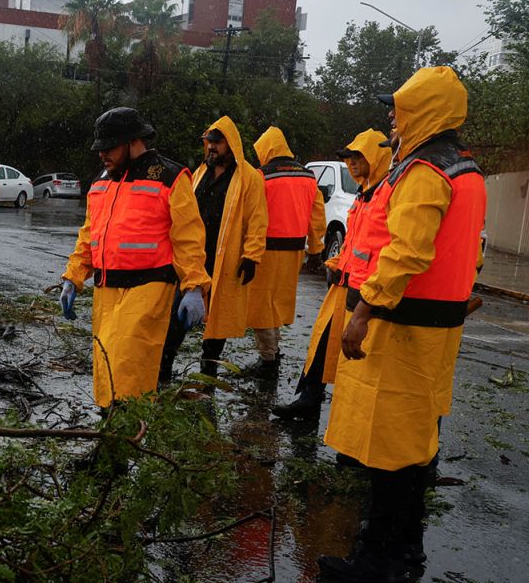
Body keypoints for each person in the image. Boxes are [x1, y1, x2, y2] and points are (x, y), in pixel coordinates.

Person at [319, 67, 486, 583]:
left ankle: (379, 559)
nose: (391, 118)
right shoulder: (466, 169)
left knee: (388, 447)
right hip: (434, 329)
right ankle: (407, 551)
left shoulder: (424, 171)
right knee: (413, 446)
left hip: (403, 327)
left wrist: (364, 312)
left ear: (423, 113)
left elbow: (407, 251)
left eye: (399, 109)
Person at [60, 108, 210, 407]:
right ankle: (112, 438)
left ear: (133, 142)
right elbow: (90, 233)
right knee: (105, 367)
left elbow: (188, 236)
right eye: (100, 148)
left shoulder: (169, 176)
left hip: (149, 286)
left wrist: (194, 286)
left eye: (109, 147)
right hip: (107, 289)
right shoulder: (102, 180)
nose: (102, 154)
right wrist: (73, 277)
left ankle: (123, 437)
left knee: (127, 367)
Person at [272, 129, 392, 420]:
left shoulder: (385, 195)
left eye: (357, 157)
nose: (351, 163)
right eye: (348, 158)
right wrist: (336, 260)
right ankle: (309, 398)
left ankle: (326, 407)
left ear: (376, 158)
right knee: (321, 343)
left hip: (364, 293)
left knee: (350, 354)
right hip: (343, 284)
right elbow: (357, 242)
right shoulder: (364, 195)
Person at [159, 117, 267, 381]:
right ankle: (163, 369)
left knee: (217, 323)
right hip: (193, 258)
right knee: (175, 316)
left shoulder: (249, 178)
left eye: (217, 142)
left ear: (230, 144)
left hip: (225, 260)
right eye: (208, 142)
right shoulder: (199, 173)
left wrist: (252, 255)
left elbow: (257, 218)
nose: (211, 148)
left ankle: (207, 374)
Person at [243, 127, 326, 378]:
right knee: (278, 302)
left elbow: (252, 215)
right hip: (294, 251)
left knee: (261, 305)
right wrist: (316, 249)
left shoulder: (262, 176)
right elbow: (317, 216)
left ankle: (268, 360)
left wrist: (246, 249)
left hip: (265, 250)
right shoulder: (309, 176)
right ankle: (274, 350)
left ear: (267, 149)